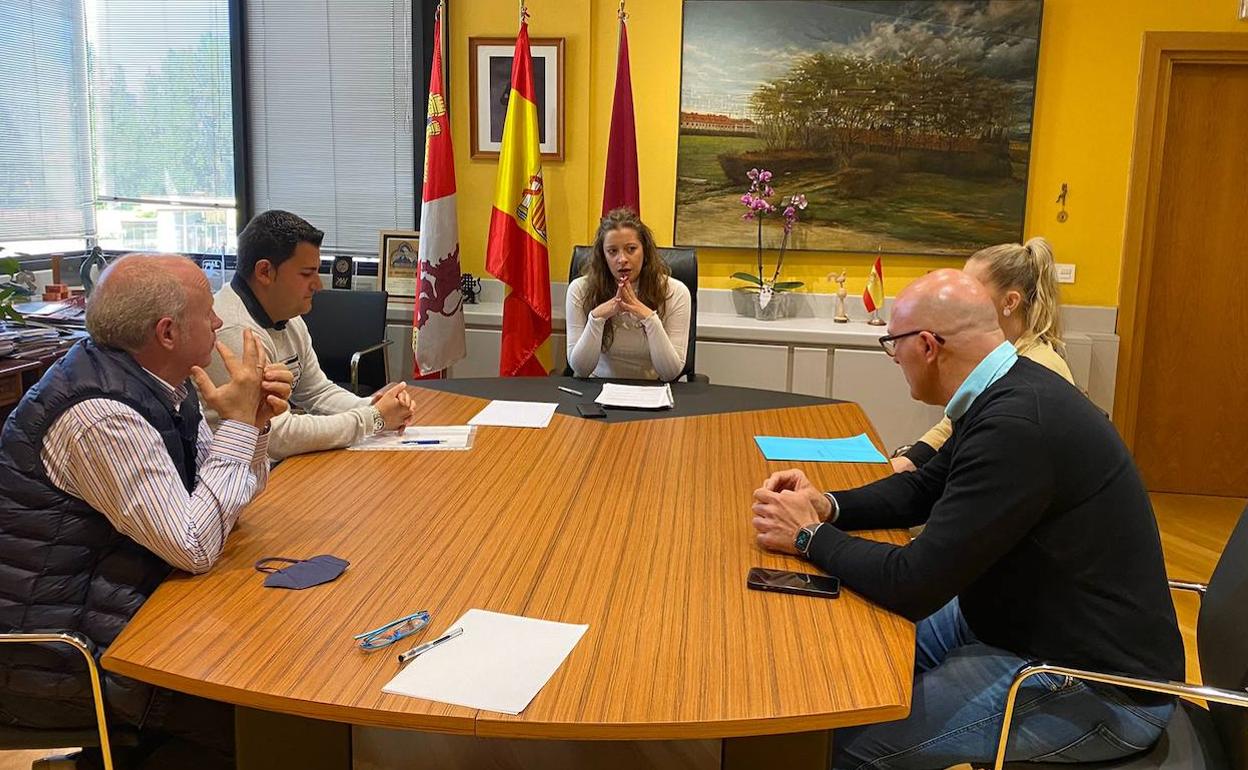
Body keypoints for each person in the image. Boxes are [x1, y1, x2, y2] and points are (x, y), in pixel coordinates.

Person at [750, 269, 1183, 769]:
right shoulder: (1008, 390)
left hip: (1099, 688)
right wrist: (828, 504)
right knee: (845, 674)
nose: (895, 359)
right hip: (1011, 621)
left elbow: (915, 582)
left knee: (849, 748)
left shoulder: (1018, 426)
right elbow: (922, 487)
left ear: (929, 346)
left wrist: (807, 536)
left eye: (894, 344)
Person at [0, 254, 293, 769]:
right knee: (265, 718)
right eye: (209, 314)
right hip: (55, 662)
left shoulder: (159, 385)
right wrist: (240, 427)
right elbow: (197, 544)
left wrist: (254, 427)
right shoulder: (101, 415)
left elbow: (223, 506)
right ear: (167, 332)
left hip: (117, 613)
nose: (221, 322)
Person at [205, 210, 415, 461]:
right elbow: (278, 437)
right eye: (306, 274)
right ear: (264, 272)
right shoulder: (233, 332)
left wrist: (376, 405)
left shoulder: (288, 315)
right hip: (242, 475)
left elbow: (317, 392)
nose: (318, 284)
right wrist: (374, 418)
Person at [892, 237, 1073, 473]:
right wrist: (909, 460)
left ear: (1010, 301)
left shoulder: (1038, 368)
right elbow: (952, 423)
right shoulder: (996, 356)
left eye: (973, 289)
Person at [565, 209, 692, 381]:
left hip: (652, 390)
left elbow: (670, 373)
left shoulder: (675, 292)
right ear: (603, 256)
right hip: (596, 389)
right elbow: (581, 369)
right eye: (612, 251)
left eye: (631, 249)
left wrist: (649, 318)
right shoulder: (580, 289)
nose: (622, 259)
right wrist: (596, 318)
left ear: (645, 251)